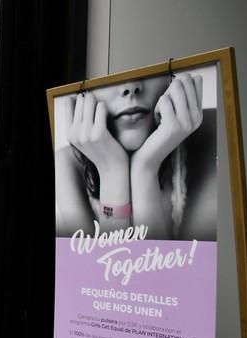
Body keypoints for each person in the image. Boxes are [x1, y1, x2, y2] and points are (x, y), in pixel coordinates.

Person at [55, 72, 215, 240]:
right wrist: (113, 172)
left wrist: (145, 169)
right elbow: (106, 265)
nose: (130, 87)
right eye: (107, 75)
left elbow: (173, 267)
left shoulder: (213, 135)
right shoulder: (67, 164)